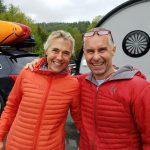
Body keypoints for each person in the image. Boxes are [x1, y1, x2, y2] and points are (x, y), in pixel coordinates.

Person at [25, 27, 150, 150]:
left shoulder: (139, 88)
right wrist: (40, 63)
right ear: (84, 53)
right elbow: (57, 75)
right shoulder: (79, 82)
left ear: (113, 50)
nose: (96, 57)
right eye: (90, 51)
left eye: (102, 50)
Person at [0, 30, 81, 150]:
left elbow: (79, 119)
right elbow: (11, 107)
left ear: (70, 56)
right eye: (55, 50)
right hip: (16, 145)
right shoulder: (26, 73)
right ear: (46, 51)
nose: (59, 57)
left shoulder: (73, 84)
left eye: (66, 53)